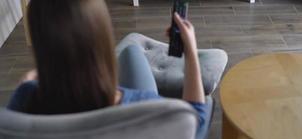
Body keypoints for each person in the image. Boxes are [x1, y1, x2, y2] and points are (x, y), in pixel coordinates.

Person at [7, 0, 207, 128]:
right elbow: (196, 119)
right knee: (131, 51)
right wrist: (190, 52)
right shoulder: (144, 105)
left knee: (131, 51)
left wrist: (27, 81)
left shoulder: (24, 102)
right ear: (101, 38)